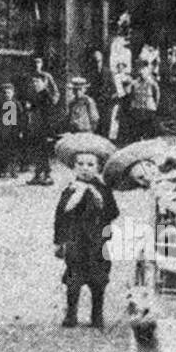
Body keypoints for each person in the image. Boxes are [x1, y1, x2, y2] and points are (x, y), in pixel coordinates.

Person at [53, 133, 119, 329]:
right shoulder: (71, 189)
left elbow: (112, 212)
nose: (85, 169)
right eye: (80, 164)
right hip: (76, 241)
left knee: (98, 281)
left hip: (97, 242)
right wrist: (58, 241)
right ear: (74, 167)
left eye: (90, 165)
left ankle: (96, 315)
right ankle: (71, 313)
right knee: (73, 280)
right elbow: (61, 214)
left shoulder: (103, 189)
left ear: (98, 168)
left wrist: (99, 200)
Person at [25, 68, 60, 185]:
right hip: (36, 127)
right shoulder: (36, 95)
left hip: (44, 129)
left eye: (37, 82)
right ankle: (38, 174)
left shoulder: (46, 96)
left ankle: (47, 175)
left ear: (43, 83)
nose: (35, 84)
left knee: (43, 152)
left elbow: (50, 115)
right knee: (37, 151)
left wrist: (50, 131)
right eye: (33, 82)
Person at [0, 82, 24, 177]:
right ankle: (3, 169)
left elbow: (21, 117)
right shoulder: (0, 104)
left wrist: (20, 130)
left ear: (13, 93)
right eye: (5, 93)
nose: (7, 95)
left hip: (14, 130)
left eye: (9, 92)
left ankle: (13, 170)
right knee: (2, 150)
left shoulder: (16, 104)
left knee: (14, 150)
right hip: (3, 130)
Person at [121, 60, 160, 144]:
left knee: (149, 132)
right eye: (140, 69)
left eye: (144, 69)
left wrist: (155, 105)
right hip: (137, 108)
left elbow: (157, 94)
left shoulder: (151, 82)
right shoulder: (135, 82)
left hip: (149, 109)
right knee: (137, 132)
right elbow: (128, 92)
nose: (141, 72)